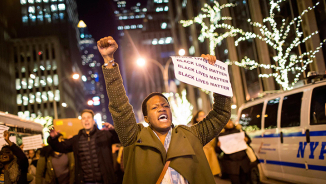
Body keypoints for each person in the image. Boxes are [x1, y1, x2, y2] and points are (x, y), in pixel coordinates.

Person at [98, 36, 231, 184]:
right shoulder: (133, 137)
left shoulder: (191, 135)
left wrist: (216, 77)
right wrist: (109, 61)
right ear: (146, 118)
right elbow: (120, 106)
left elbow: (220, 114)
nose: (161, 108)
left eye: (165, 106)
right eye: (154, 107)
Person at [48, 109, 120, 184]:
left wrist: (113, 130)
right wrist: (53, 138)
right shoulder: (76, 140)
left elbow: (120, 140)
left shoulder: (104, 135)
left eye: (88, 117)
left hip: (105, 180)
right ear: (81, 122)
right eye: (83, 118)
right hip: (85, 181)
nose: (86, 120)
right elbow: (60, 147)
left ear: (93, 121)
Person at [215, 120, 254, 184]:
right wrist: (218, 146)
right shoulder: (221, 135)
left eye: (230, 121)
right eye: (227, 122)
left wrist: (246, 140)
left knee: (245, 181)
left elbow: (249, 141)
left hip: (243, 162)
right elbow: (217, 151)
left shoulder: (239, 131)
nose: (230, 123)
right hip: (231, 164)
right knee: (235, 181)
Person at [190, 110, 221, 176]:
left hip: (211, 154)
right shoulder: (194, 130)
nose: (203, 117)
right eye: (201, 116)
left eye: (204, 115)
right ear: (197, 119)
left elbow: (214, 142)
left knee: (212, 176)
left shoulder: (209, 128)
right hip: (202, 155)